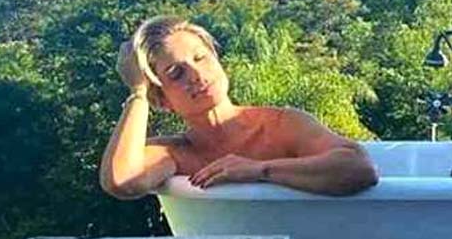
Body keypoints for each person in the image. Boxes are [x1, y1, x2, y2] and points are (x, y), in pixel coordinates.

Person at [99, 16, 379, 199]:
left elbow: (359, 168)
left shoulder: (282, 124)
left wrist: (259, 170)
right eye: (176, 73)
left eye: (201, 58)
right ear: (161, 100)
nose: (196, 75)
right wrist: (138, 92)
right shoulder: (176, 154)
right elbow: (122, 181)